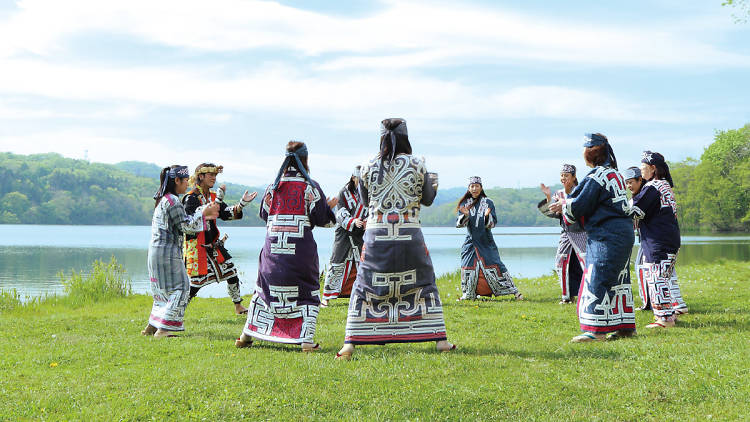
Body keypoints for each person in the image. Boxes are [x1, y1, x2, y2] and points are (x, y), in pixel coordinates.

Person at [336, 118, 455, 360]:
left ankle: (349, 345)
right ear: (406, 136)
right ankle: (440, 340)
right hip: (409, 233)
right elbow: (428, 199)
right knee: (423, 282)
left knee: (364, 285)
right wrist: (434, 182)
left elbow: (364, 200)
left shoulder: (368, 165)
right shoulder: (417, 163)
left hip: (376, 234)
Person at [235, 141, 337, 352]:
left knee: (264, 291)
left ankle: (246, 336)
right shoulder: (311, 187)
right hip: (300, 252)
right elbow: (324, 220)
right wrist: (329, 208)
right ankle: (306, 341)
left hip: (272, 252)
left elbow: (264, 214)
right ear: (306, 160)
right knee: (305, 291)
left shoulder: (273, 187)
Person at [549, 133, 635, 342]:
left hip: (606, 235)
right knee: (619, 279)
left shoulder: (596, 176)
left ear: (590, 153)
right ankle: (625, 327)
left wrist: (563, 206)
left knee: (597, 277)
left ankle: (597, 332)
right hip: (623, 233)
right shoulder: (614, 174)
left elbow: (580, 205)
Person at [142, 165, 219, 338]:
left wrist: (202, 214)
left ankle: (152, 326)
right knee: (182, 288)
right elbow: (186, 226)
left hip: (155, 251)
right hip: (167, 252)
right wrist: (204, 213)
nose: (187, 184)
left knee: (161, 291)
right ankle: (164, 329)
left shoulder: (164, 199)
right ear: (176, 180)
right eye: (185, 181)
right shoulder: (173, 201)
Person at [182, 163, 257, 315]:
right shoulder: (191, 198)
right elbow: (188, 222)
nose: (214, 178)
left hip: (214, 244)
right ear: (201, 176)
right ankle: (177, 311)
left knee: (231, 271)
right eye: (211, 175)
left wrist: (241, 204)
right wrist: (208, 209)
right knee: (196, 283)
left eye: (215, 175)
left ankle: (238, 306)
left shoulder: (214, 196)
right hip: (197, 246)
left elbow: (225, 213)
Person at [629, 151, 688, 327]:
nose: (641, 172)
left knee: (656, 277)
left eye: (643, 168)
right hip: (667, 239)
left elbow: (635, 210)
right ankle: (668, 313)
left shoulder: (653, 187)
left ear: (653, 168)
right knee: (662, 276)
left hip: (659, 240)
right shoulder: (664, 185)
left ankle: (665, 318)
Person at [456, 176, 523, 300]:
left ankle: (515, 292)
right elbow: (459, 224)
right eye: (472, 186)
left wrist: (487, 217)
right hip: (470, 242)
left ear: (481, 188)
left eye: (477, 186)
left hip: (486, 241)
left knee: (496, 265)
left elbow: (492, 224)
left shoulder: (488, 202)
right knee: (468, 266)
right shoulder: (464, 204)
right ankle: (469, 294)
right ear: (468, 188)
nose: (474, 188)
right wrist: (465, 215)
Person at [538, 164, 587, 304]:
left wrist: (565, 205)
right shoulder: (558, 194)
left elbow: (583, 209)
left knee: (585, 262)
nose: (563, 178)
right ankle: (566, 296)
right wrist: (548, 197)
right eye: (562, 176)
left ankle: (589, 293)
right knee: (561, 262)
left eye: (566, 176)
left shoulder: (580, 192)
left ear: (574, 177)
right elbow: (552, 212)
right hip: (566, 232)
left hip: (581, 232)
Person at [321, 167, 368, 307]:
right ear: (353, 178)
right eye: (361, 179)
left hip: (361, 233)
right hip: (344, 233)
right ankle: (326, 297)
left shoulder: (368, 193)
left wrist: (367, 222)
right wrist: (353, 221)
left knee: (362, 263)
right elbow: (340, 212)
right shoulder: (344, 192)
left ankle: (362, 294)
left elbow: (372, 210)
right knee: (337, 262)